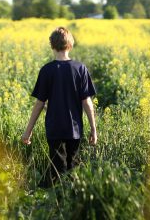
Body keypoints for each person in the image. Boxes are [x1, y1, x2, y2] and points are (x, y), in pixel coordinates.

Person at [21, 26, 97, 185]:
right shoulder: (80, 69)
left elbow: (39, 104)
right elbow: (87, 102)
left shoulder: (47, 70)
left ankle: (55, 203)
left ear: (52, 45)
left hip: (54, 129)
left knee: (57, 170)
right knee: (72, 169)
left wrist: (28, 131)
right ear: (70, 45)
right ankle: (72, 201)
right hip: (75, 129)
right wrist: (93, 129)